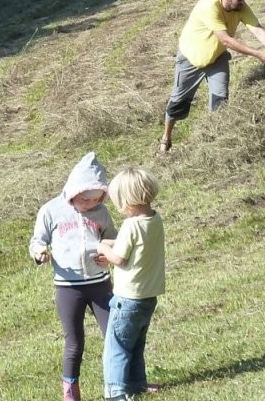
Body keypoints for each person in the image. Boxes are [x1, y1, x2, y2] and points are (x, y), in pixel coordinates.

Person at [159, 0, 265, 152]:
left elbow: (258, 30)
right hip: (191, 58)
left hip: (217, 58)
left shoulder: (240, 7)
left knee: (220, 99)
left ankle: (214, 142)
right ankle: (166, 139)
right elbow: (226, 40)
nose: (244, 1)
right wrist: (257, 53)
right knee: (179, 102)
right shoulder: (209, 6)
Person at [30, 152, 118, 401]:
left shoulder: (101, 212)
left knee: (115, 333)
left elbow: (112, 238)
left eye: (96, 200)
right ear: (74, 191)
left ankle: (124, 383)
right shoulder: (50, 210)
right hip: (68, 288)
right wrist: (39, 252)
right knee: (74, 341)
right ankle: (71, 394)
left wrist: (108, 254)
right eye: (86, 200)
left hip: (100, 284)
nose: (91, 205)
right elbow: (38, 240)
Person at [98, 167, 166, 401]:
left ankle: (115, 390)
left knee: (116, 347)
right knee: (136, 343)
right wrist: (113, 242)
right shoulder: (154, 220)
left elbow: (119, 258)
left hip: (127, 298)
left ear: (126, 200)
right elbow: (134, 245)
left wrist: (101, 247)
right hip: (148, 296)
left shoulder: (130, 225)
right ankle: (137, 383)